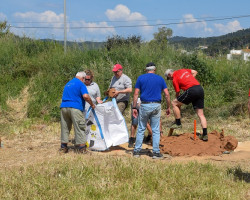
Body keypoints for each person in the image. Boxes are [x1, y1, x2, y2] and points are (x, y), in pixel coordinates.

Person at [132, 62, 171, 159]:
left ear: (146, 69)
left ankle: (137, 151)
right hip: (156, 105)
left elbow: (136, 94)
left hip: (144, 105)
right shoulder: (160, 79)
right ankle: (156, 152)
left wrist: (134, 107)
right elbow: (167, 94)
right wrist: (168, 107)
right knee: (156, 129)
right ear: (155, 69)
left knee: (141, 128)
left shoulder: (141, 78)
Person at [165, 68, 208, 141]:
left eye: (169, 78)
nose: (170, 80)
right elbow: (195, 71)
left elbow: (178, 93)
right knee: (201, 114)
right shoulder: (183, 70)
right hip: (200, 89)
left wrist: (178, 104)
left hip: (191, 90)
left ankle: (178, 123)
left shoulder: (175, 79)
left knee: (174, 103)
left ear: (170, 74)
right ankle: (205, 135)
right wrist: (189, 80)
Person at [60, 71, 95, 154]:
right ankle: (82, 149)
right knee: (80, 127)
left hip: (64, 107)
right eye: (84, 79)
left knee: (65, 127)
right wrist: (92, 104)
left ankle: (63, 147)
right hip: (75, 108)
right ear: (82, 78)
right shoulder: (81, 84)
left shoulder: (68, 84)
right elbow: (86, 96)